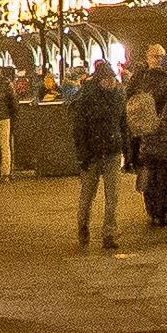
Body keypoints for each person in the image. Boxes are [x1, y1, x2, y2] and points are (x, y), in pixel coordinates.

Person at [125, 45, 167, 228]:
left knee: (151, 174)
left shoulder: (144, 80)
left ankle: (152, 211)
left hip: (146, 135)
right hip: (164, 136)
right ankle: (162, 213)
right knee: (164, 176)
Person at [71, 58, 129, 251]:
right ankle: (83, 227)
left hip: (113, 151)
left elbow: (123, 124)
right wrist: (83, 156)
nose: (111, 83)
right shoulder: (86, 98)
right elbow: (79, 130)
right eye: (107, 80)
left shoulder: (118, 96)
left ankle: (109, 234)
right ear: (99, 80)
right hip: (92, 154)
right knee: (87, 195)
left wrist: (126, 151)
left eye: (113, 79)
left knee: (113, 195)